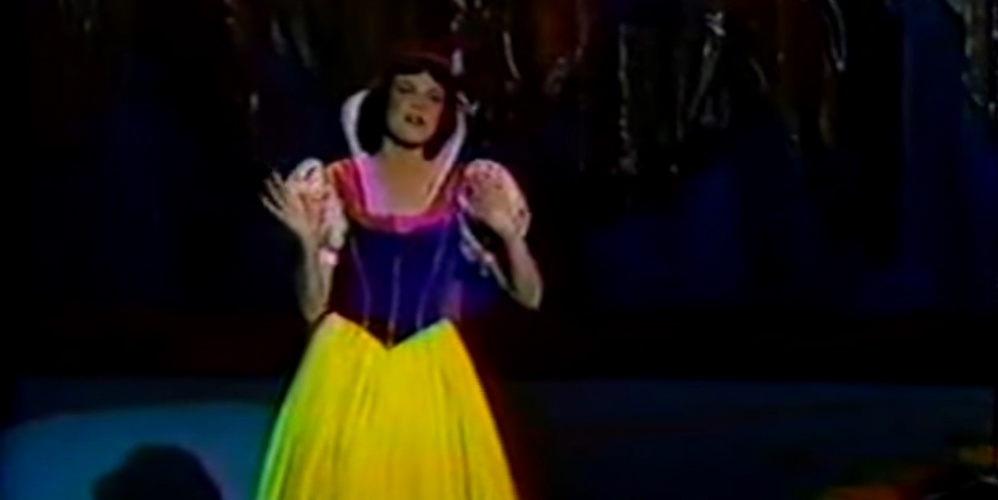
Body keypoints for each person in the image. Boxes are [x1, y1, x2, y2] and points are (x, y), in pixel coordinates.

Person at [255, 46, 543, 499]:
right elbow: (311, 306)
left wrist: (509, 236)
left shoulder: (466, 186)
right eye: (406, 90)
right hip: (349, 364)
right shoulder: (337, 182)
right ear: (383, 100)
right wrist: (308, 244)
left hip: (430, 364)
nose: (419, 105)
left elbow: (530, 297)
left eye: (433, 97)